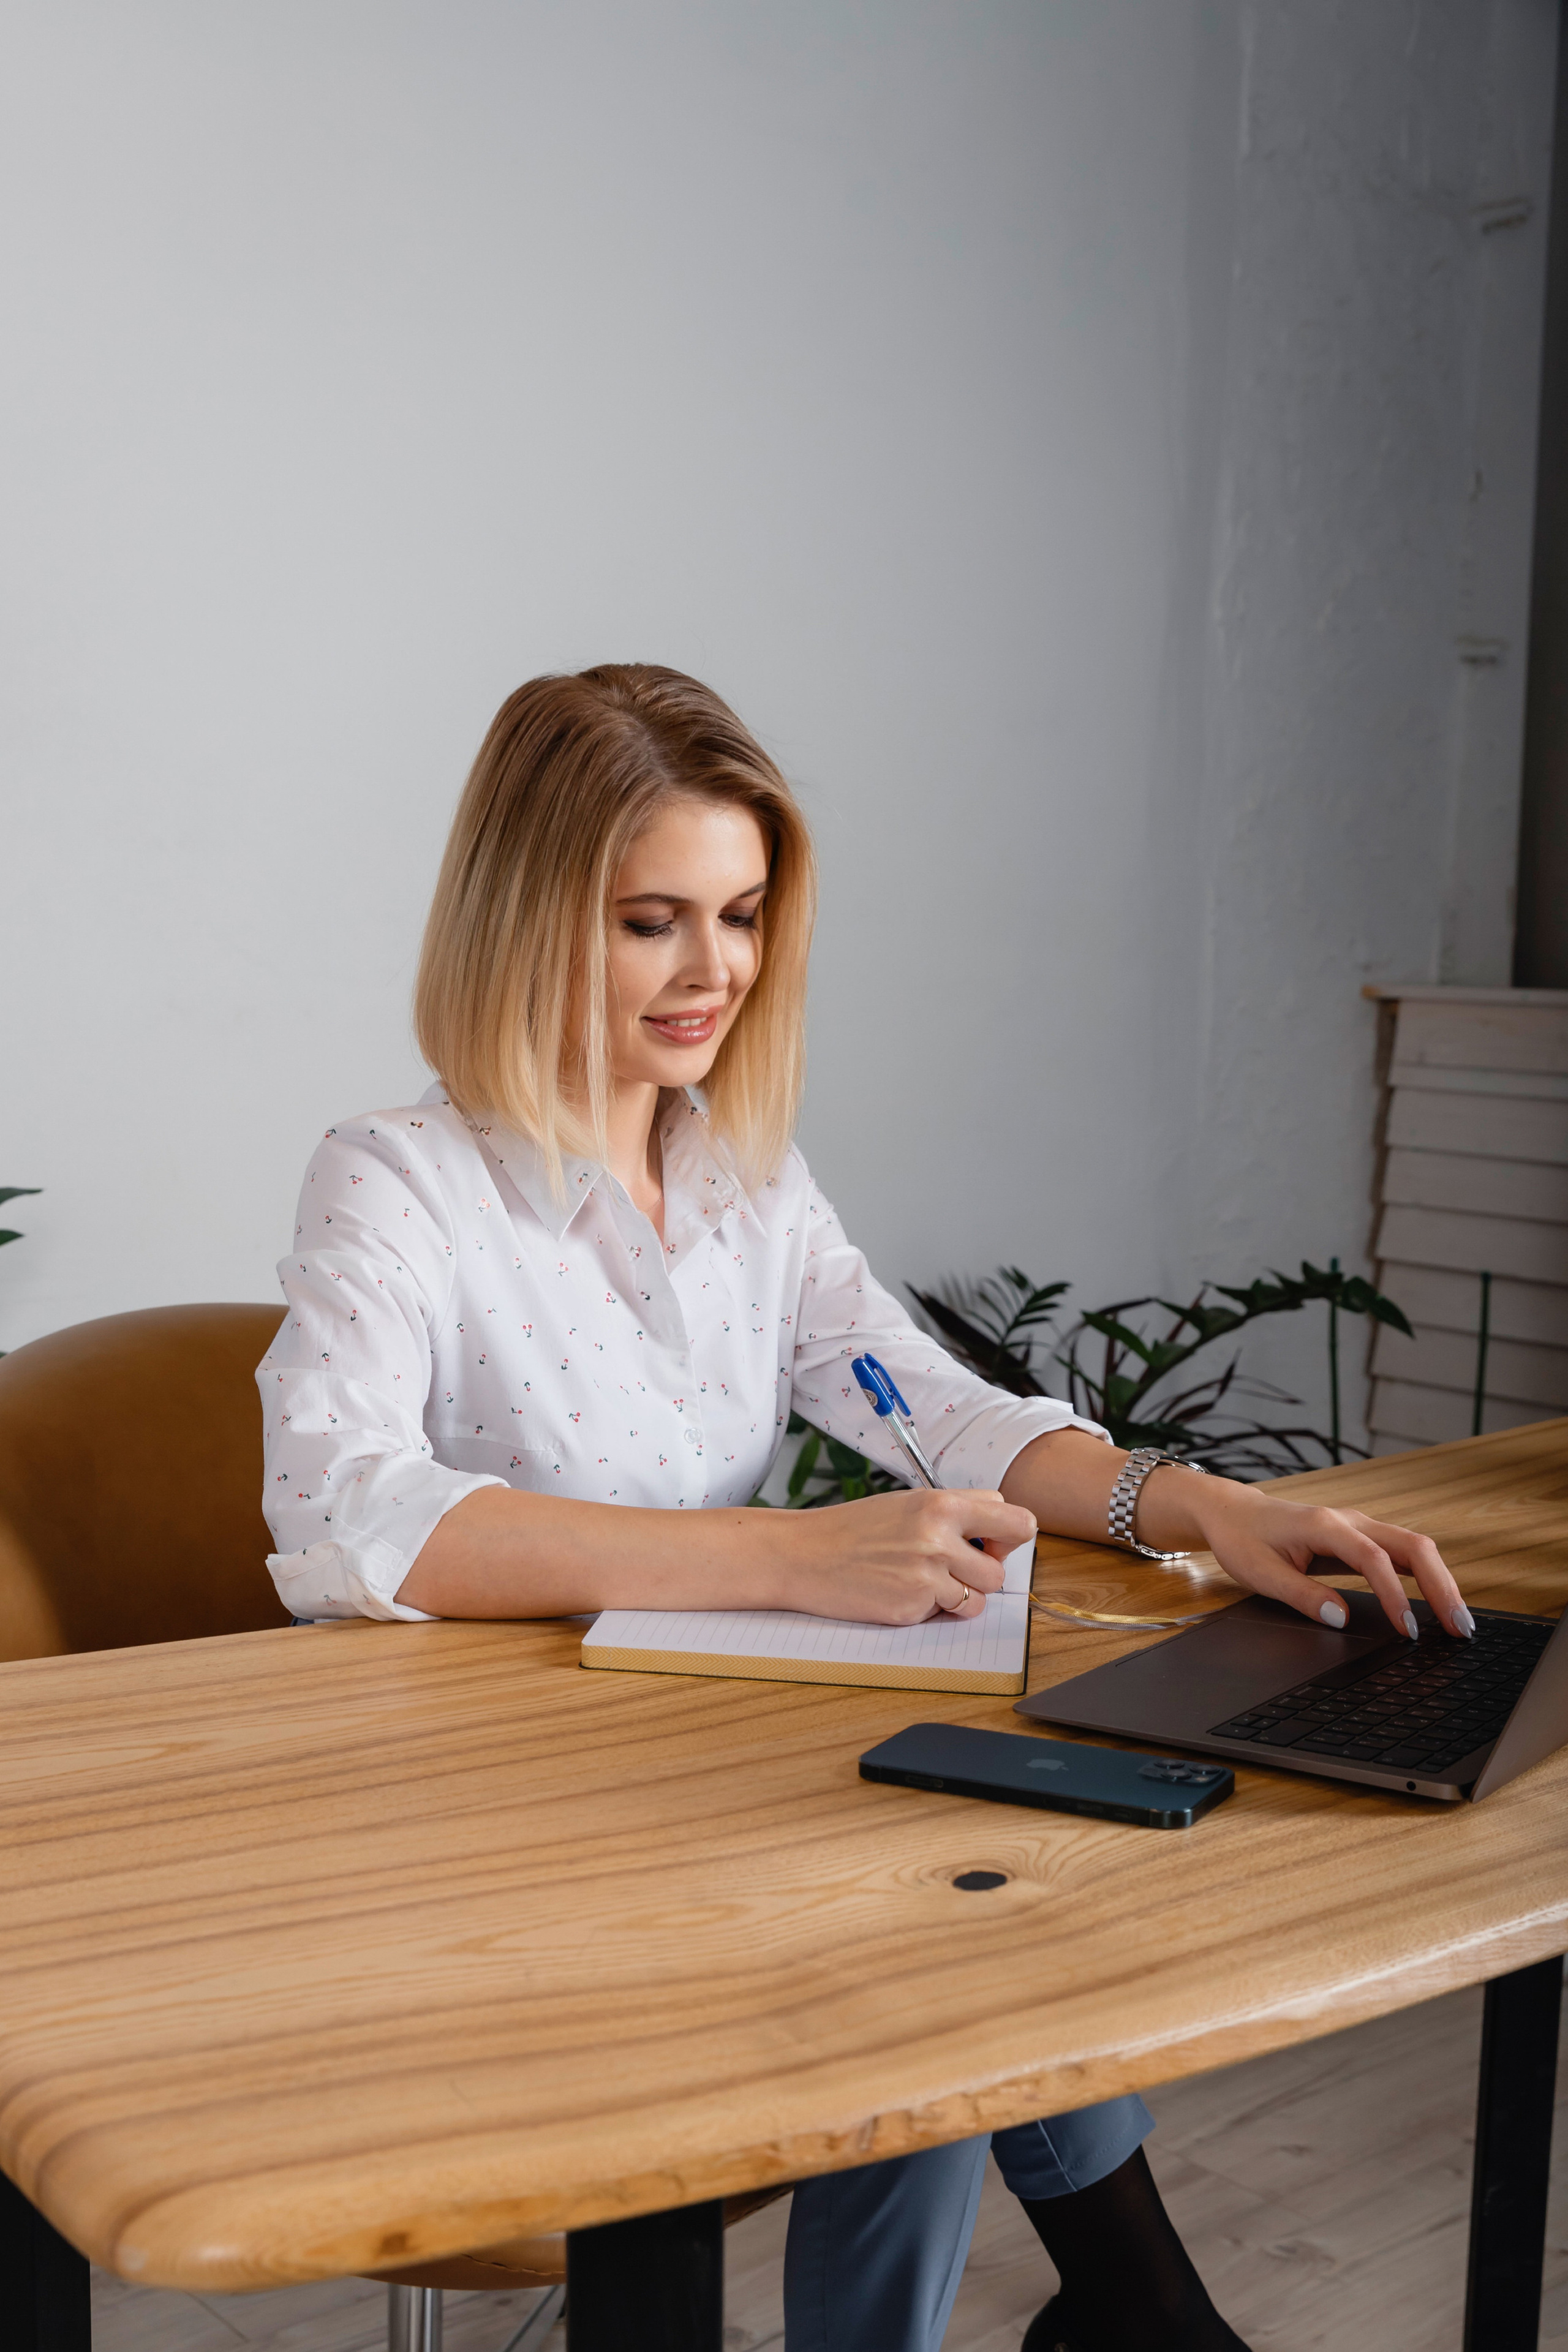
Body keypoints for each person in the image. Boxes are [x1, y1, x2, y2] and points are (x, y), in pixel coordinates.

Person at [260, 665, 1469, 2352]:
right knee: (929, 1962)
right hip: (487, 1831)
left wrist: (1194, 1508)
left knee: (959, 1928)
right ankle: (1140, 2315)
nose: (715, 973)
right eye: (652, 921)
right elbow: (350, 1522)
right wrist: (784, 1554)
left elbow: (933, 1404)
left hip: (693, 1767)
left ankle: (1106, 2320)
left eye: (743, 915)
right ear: (527, 919)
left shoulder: (743, 1173)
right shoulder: (397, 1177)